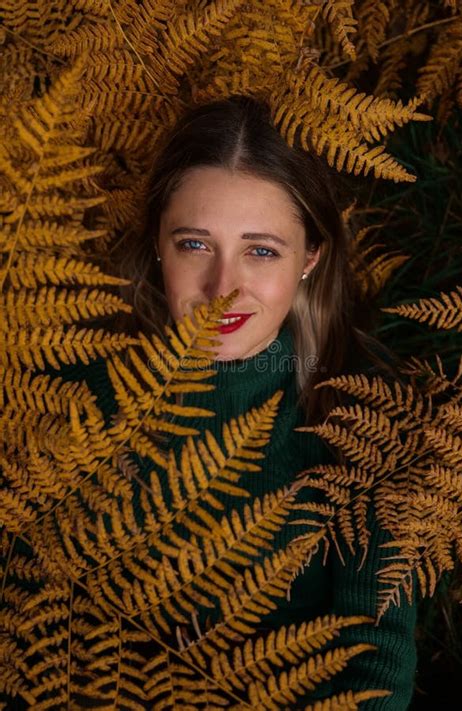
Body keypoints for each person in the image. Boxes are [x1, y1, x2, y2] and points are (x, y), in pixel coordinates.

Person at [7, 94, 417, 709]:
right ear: (157, 246)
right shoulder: (64, 395)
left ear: (310, 259)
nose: (222, 287)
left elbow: (375, 662)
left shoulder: (361, 426)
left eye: (261, 250)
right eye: (195, 244)